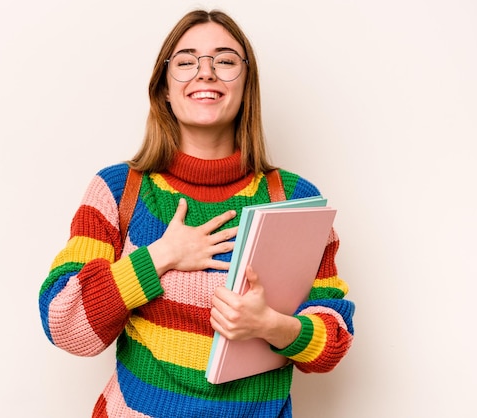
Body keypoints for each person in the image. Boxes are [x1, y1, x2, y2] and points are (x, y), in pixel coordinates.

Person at [39, 9, 355, 417]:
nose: (205, 73)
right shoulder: (118, 191)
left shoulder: (292, 199)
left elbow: (333, 341)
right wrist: (159, 257)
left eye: (224, 61)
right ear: (164, 90)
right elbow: (65, 325)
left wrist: (270, 326)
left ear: (246, 87)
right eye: (186, 62)